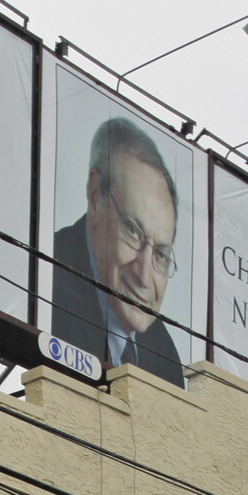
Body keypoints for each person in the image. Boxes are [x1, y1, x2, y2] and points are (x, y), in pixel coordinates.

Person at [50, 115, 186, 385]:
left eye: (160, 254)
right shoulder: (45, 280)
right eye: (133, 231)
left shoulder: (165, 357)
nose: (144, 276)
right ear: (95, 194)